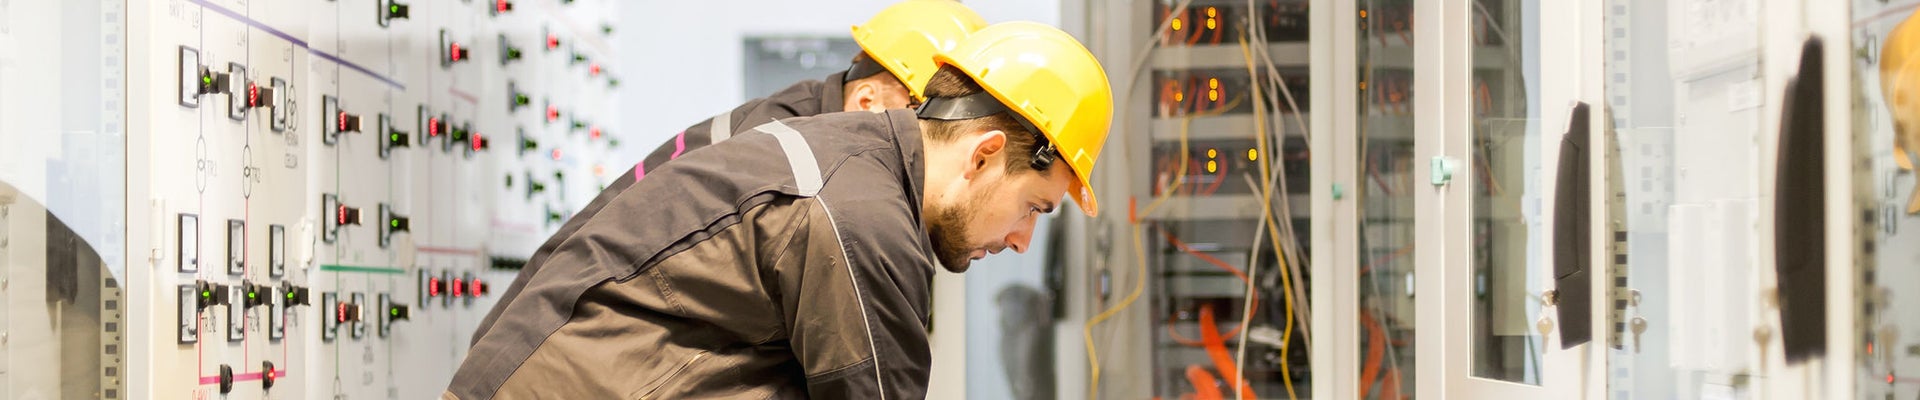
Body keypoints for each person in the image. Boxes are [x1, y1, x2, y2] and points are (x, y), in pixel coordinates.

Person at [444, 21, 1112, 399]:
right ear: (986, 153)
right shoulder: (863, 217)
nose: (1024, 241)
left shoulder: (854, 162)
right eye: (1034, 207)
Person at [468, 0, 987, 344]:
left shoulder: (804, 134)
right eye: (926, 120)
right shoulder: (792, 161)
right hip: (557, 349)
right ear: (870, 99)